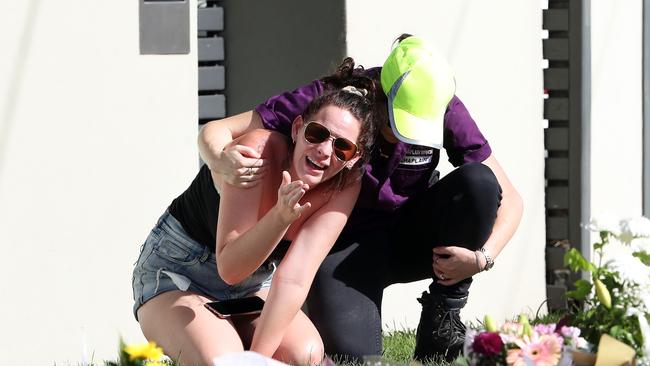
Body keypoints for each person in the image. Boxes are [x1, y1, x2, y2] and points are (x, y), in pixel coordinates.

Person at [199, 35, 523, 362]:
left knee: (479, 182)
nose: (404, 138)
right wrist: (219, 159)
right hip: (342, 250)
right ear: (379, 95)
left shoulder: (438, 106)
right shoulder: (333, 104)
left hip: (412, 237)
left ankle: (443, 316)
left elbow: (509, 198)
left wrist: (482, 259)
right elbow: (218, 131)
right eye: (400, 125)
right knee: (355, 358)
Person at [131, 85, 379, 366]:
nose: (323, 151)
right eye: (317, 134)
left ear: (353, 159)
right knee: (224, 361)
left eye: (342, 147)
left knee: (305, 354)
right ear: (298, 128)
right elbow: (230, 268)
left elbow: (295, 279)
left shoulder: (345, 185)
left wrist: (258, 360)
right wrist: (279, 218)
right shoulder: (256, 153)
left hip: (254, 284)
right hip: (179, 273)